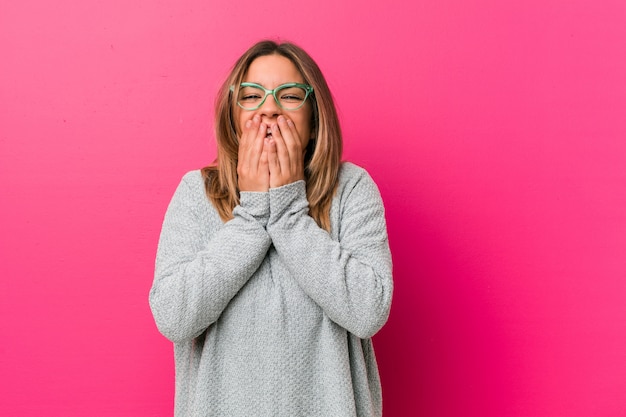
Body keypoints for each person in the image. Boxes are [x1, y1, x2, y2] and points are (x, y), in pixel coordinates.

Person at [149, 40, 393, 417]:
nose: (269, 109)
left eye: (290, 95)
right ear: (233, 113)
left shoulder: (352, 188)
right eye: (252, 95)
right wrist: (251, 216)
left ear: (314, 118)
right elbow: (173, 316)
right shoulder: (197, 193)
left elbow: (368, 311)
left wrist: (289, 212)